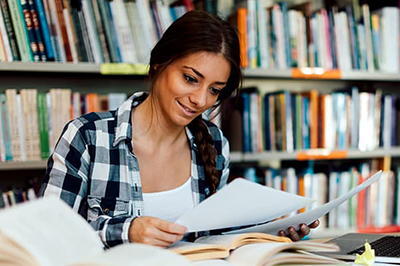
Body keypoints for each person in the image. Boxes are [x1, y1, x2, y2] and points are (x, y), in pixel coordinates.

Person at [40, 10, 318, 248]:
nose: (200, 100)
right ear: (159, 62)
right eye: (190, 79)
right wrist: (128, 231)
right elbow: (46, 236)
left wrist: (273, 234)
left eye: (214, 90)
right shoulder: (88, 137)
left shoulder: (214, 143)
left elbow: (215, 242)